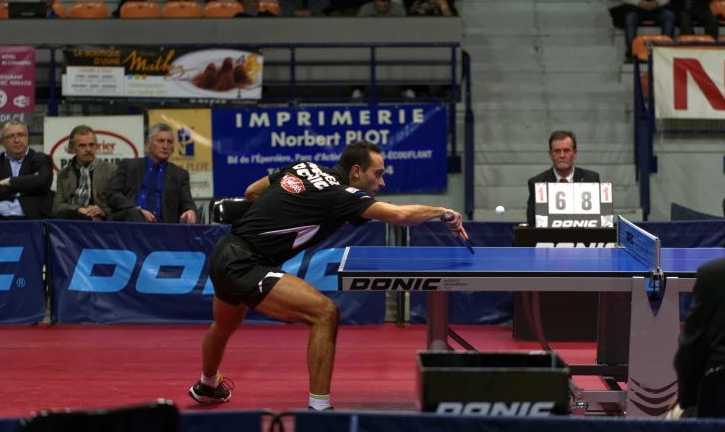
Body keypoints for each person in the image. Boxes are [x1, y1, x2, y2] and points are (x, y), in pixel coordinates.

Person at [189, 141, 468, 411]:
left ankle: (208, 385)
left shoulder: (303, 167)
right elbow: (398, 214)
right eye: (378, 174)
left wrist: (287, 211)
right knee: (325, 314)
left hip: (224, 252)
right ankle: (320, 409)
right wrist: (442, 211)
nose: (381, 183)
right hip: (247, 264)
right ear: (356, 172)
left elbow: (251, 192)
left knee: (223, 326)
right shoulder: (340, 194)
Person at [673, 257, 725, 417]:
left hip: (720, 394)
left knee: (675, 417)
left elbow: (691, 347)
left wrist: (687, 399)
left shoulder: (715, 273)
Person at [525, 130, 600, 226]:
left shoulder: (590, 180)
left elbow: (598, 220)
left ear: (575, 153)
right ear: (550, 154)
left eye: (566, 150)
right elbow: (532, 222)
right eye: (557, 151)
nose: (562, 155)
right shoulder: (537, 183)